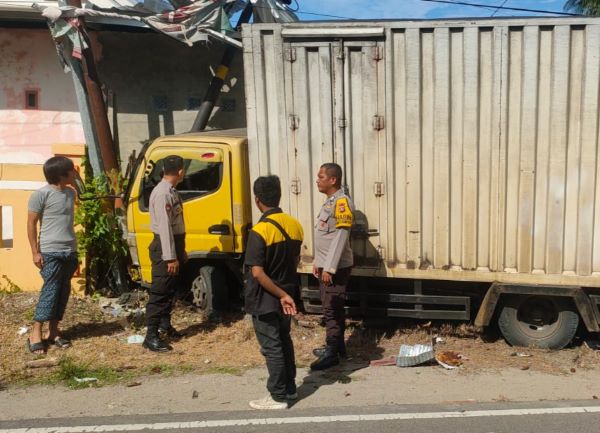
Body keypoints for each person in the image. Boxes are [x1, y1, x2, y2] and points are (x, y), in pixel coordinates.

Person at [245, 175, 304, 410]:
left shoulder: (260, 231)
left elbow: (257, 273)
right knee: (284, 341)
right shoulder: (294, 225)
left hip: (268, 298)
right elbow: (296, 260)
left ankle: (277, 396)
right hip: (287, 293)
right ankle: (289, 389)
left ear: (257, 200)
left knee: (272, 347)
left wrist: (279, 294)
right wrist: (285, 293)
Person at [26, 156, 79, 354]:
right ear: (61, 174)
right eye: (71, 171)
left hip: (69, 250)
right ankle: (35, 332)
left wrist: (76, 180)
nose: (74, 173)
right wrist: (35, 252)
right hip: (50, 251)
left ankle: (54, 331)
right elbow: (31, 223)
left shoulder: (70, 192)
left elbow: (79, 191)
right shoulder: (41, 195)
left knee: (63, 291)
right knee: (50, 290)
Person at [311, 162, 354, 371]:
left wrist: (329, 267)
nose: (317, 180)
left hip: (335, 267)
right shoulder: (330, 202)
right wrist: (318, 263)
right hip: (326, 265)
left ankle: (332, 353)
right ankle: (337, 348)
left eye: (321, 177)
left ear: (333, 180)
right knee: (331, 306)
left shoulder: (342, 202)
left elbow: (340, 237)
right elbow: (324, 236)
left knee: (331, 308)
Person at [143, 155, 187, 353]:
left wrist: (180, 251)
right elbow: (164, 227)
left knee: (171, 289)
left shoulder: (171, 191)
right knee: (160, 291)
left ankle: (164, 325)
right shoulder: (162, 194)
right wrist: (170, 256)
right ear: (180, 171)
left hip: (173, 244)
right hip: (164, 247)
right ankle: (151, 335)